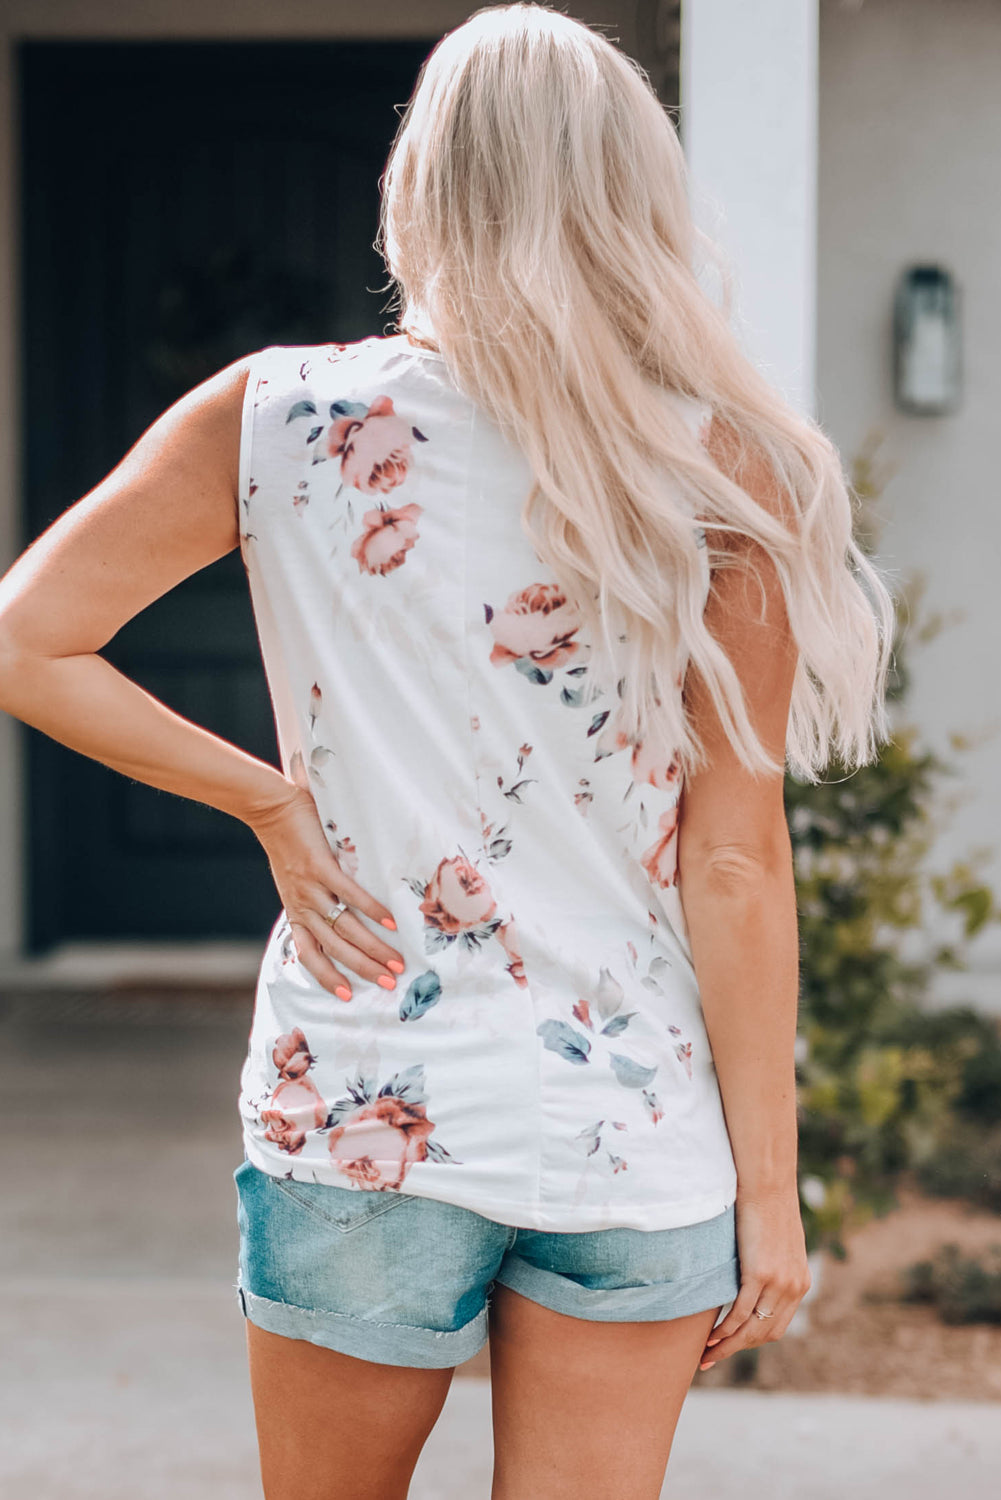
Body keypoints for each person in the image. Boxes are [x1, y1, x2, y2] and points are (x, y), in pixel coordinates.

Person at [0, 5, 895, 1498]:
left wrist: (264, 801)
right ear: (635, 197)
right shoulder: (723, 464)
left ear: (420, 183)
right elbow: (732, 861)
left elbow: (28, 635)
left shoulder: (282, 417)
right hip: (631, 1125)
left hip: (366, 1095)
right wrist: (766, 1190)